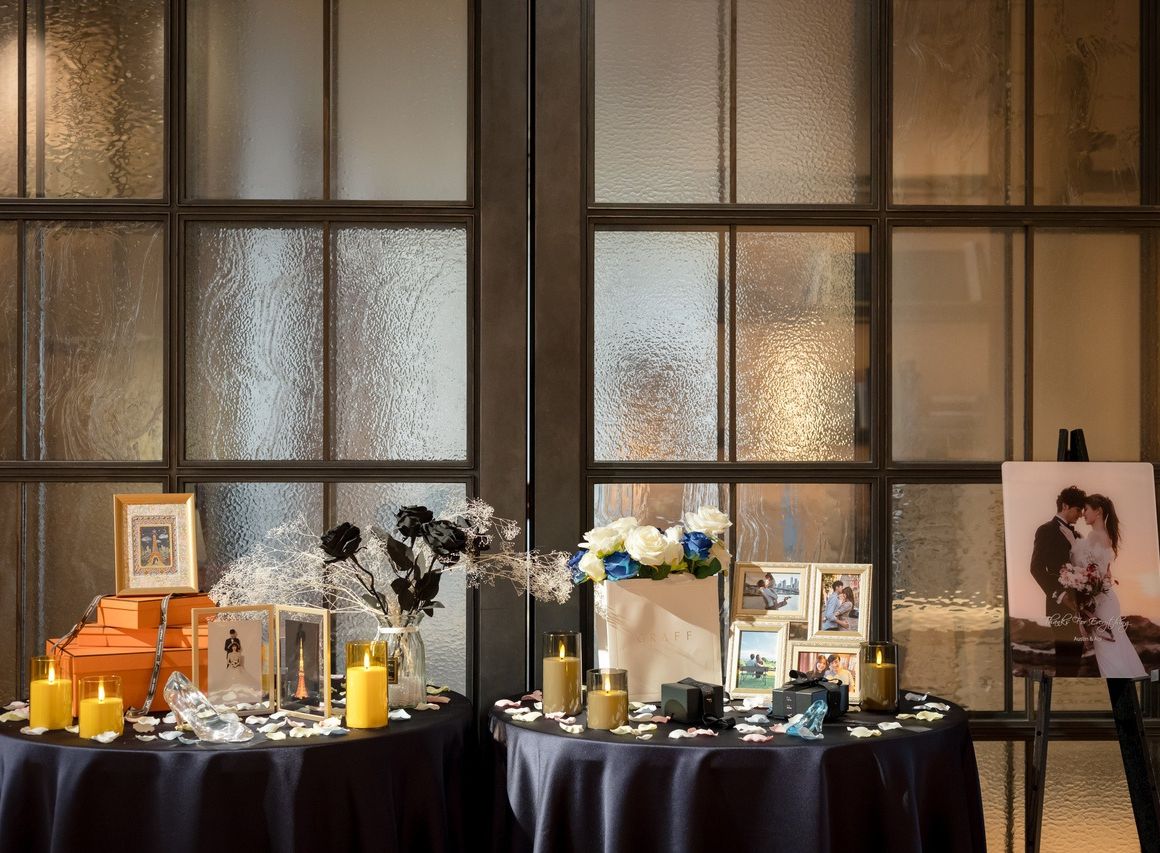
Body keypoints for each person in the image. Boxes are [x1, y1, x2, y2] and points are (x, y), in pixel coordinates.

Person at [1073, 494, 1146, 678]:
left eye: (1086, 509)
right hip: (1107, 598)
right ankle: (1130, 682)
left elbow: (1085, 569)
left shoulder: (1094, 536)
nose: (1083, 514)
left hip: (1101, 601)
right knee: (1116, 644)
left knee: (1108, 649)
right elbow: (1103, 571)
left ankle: (1120, 684)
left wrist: (1072, 544)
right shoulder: (1107, 536)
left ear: (1098, 511)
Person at [1030, 485, 1086, 672]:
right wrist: (1060, 595)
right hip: (1059, 605)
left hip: (1080, 604)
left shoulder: (1077, 535)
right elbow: (1036, 568)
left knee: (1076, 657)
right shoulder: (1045, 530)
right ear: (1065, 506)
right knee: (1066, 659)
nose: (1081, 515)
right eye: (1078, 510)